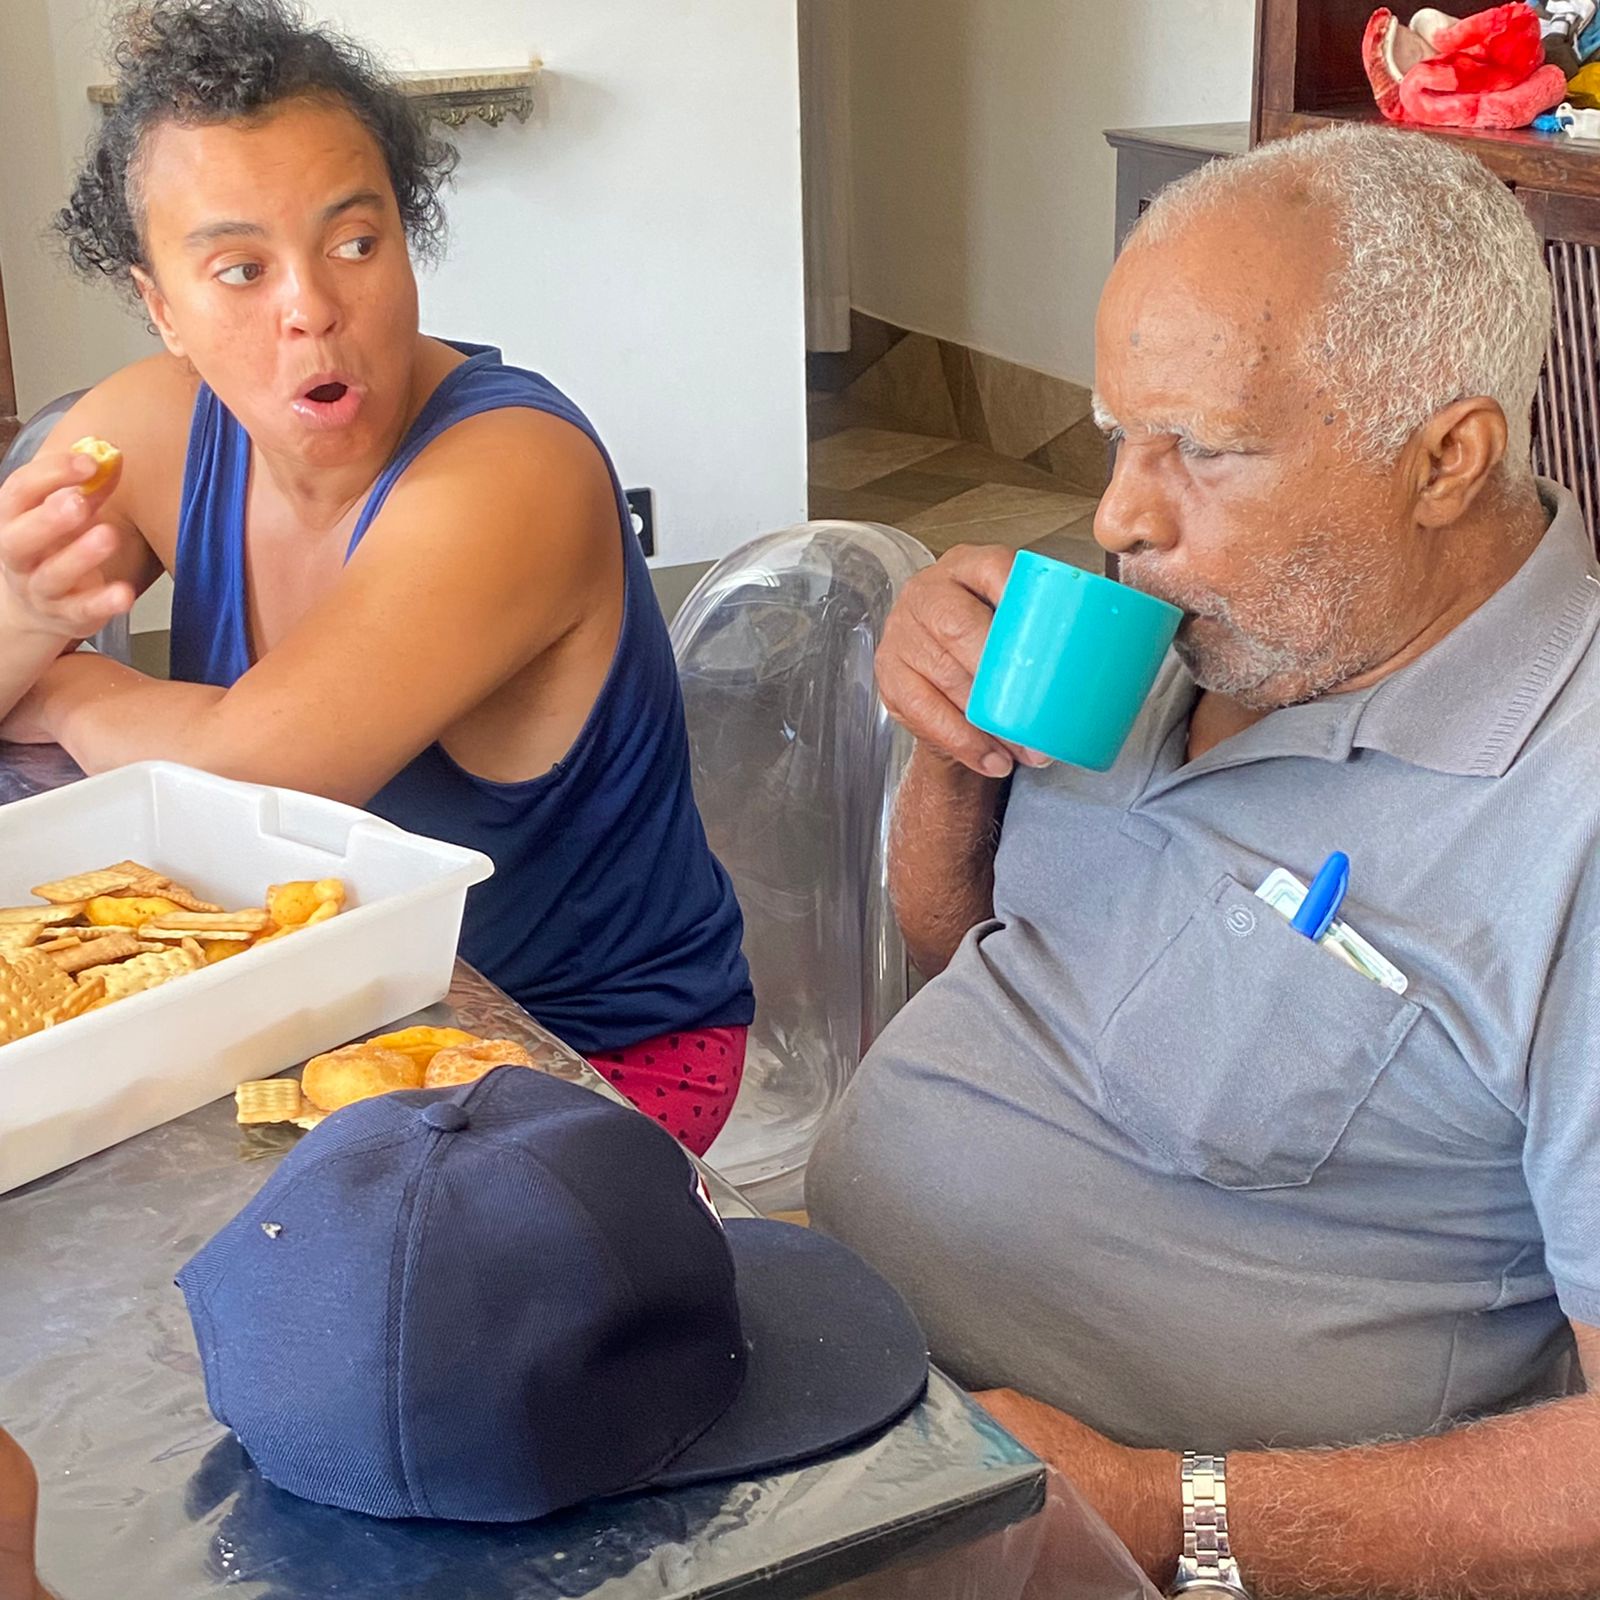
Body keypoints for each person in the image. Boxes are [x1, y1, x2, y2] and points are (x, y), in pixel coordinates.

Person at [807, 123, 1600, 1598]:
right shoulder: (1201, 623)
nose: (1119, 515)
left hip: (1128, 1543)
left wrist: (1176, 1515)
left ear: (1447, 459)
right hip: (842, 1387)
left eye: (1206, 450)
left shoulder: (1572, 815)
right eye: (1120, 434)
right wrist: (955, 745)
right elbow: (971, 963)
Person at [0, 0, 752, 1154]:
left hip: (583, 1052)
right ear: (162, 308)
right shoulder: (154, 429)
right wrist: (18, 612)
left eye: (356, 242)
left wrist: (53, 680)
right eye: (240, 269)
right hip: (325, 1015)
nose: (312, 309)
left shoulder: (513, 473)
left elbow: (258, 775)